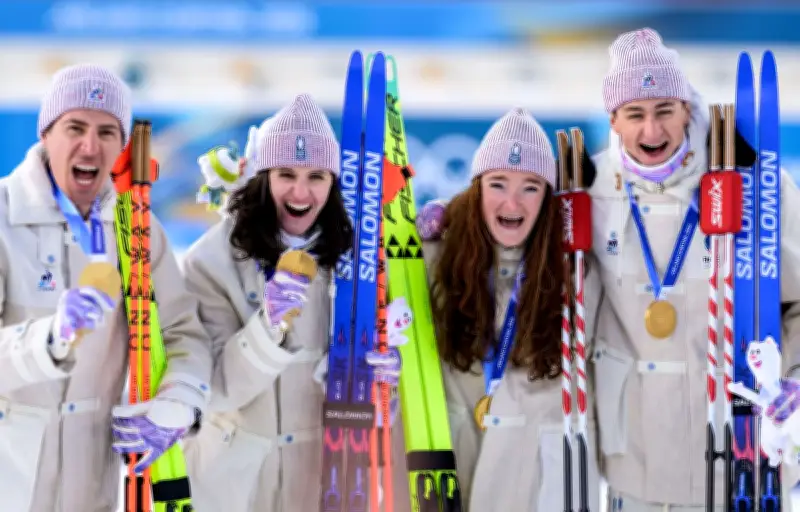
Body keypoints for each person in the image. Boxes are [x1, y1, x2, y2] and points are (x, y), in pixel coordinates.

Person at [583, 28, 800, 510]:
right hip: (634, 465)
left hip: (741, 461)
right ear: (614, 119)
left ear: (687, 108)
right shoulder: (590, 192)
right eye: (635, 115)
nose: (652, 132)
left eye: (665, 111)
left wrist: (798, 376)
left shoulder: (757, 185)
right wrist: (445, 226)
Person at [0, 63, 212, 512]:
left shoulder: (139, 229)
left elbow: (183, 335)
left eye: (107, 132)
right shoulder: (3, 217)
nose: (90, 145)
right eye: (74, 127)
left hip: (97, 481)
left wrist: (179, 401)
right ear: (46, 133)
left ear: (121, 146)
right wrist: (49, 339)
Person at [401, 106, 601, 510]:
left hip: (529, 478)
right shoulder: (435, 254)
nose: (513, 201)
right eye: (498, 183)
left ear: (547, 197)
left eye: (530, 186)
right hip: (449, 463)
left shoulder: (576, 270)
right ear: (476, 188)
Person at [180, 93, 363, 511]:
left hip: (321, 478)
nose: (301, 191)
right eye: (286, 173)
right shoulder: (211, 261)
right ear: (263, 176)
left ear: (333, 183)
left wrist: (385, 369)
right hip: (230, 482)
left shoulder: (355, 262)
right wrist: (268, 329)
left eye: (317, 175)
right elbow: (214, 389)